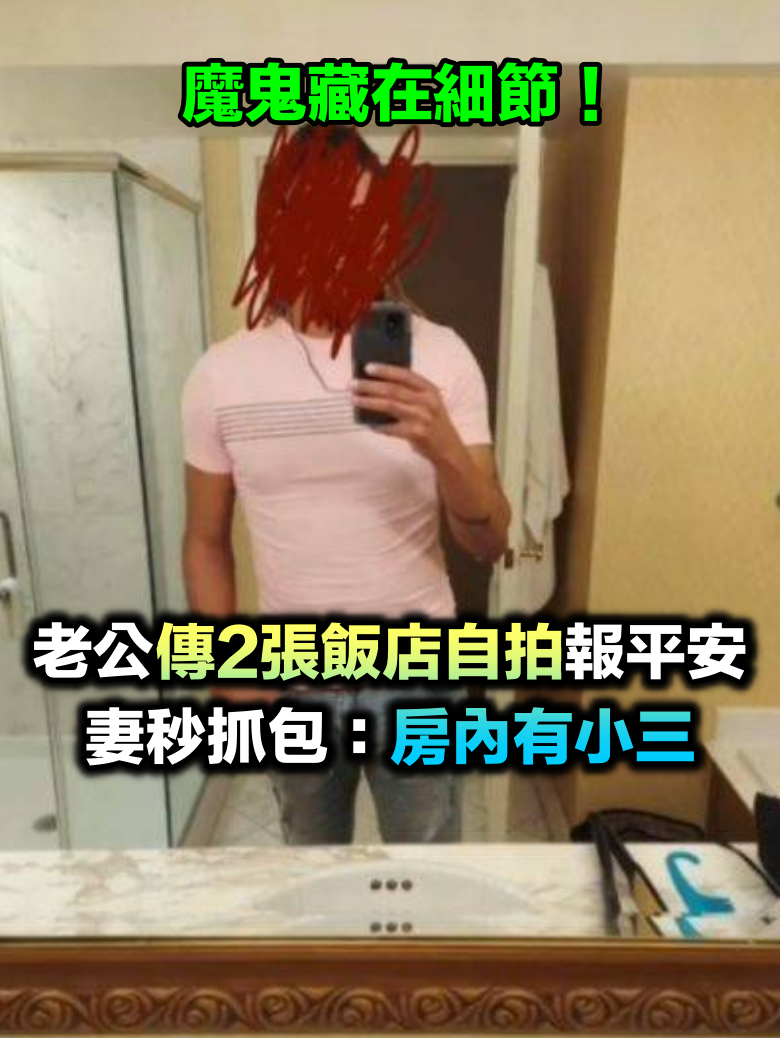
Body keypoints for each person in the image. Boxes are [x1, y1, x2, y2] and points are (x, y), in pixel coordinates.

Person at [181, 124, 511, 845]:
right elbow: (205, 539)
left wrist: (445, 450)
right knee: (309, 867)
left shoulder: (442, 355)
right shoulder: (220, 375)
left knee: (426, 869)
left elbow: (489, 540)